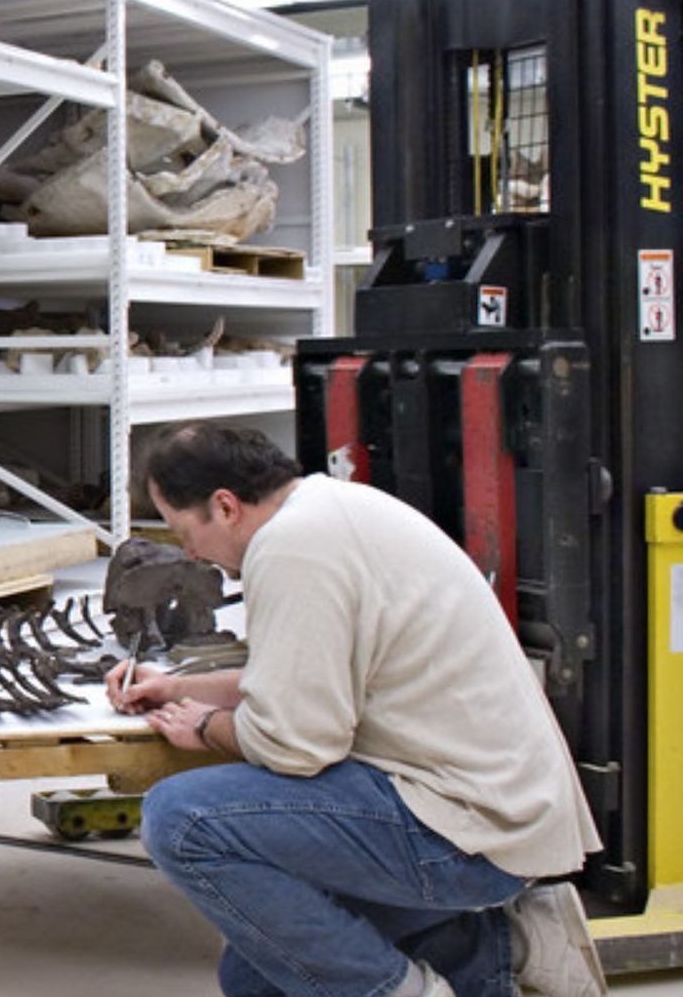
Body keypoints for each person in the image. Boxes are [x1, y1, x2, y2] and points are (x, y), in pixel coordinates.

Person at [108, 422, 606, 997]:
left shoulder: (292, 549)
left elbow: (296, 746)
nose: (189, 553)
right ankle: (511, 944)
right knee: (258, 976)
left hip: (468, 830)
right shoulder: (325, 512)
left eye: (181, 531)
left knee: (181, 818)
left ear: (224, 506)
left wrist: (206, 728)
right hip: (496, 815)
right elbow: (304, 680)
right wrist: (177, 688)